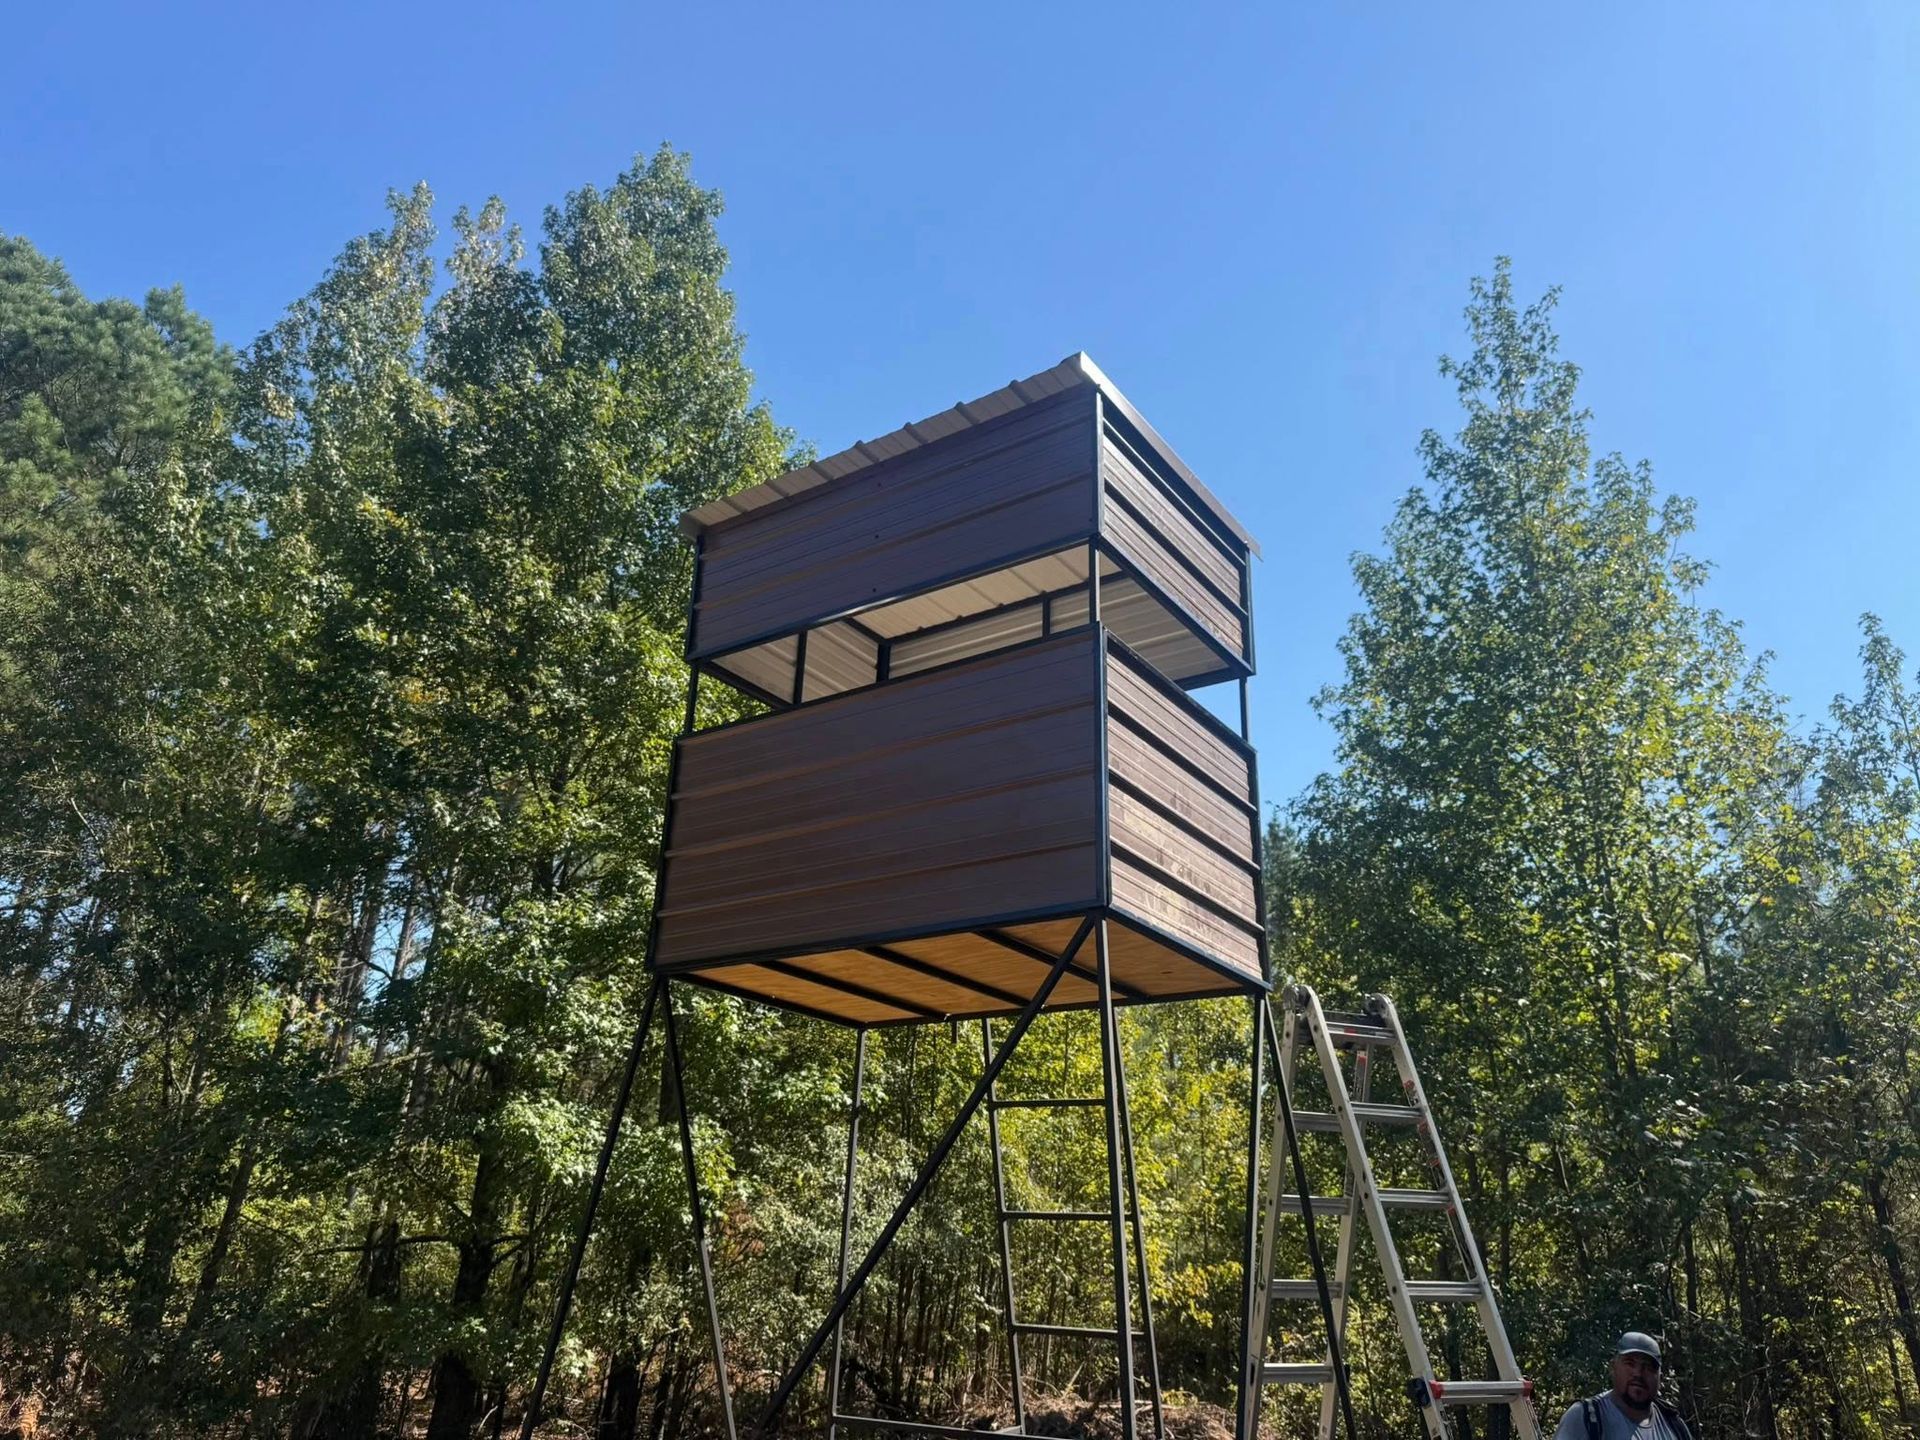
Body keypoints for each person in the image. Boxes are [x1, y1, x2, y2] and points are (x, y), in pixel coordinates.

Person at [1552, 1332, 1693, 1440]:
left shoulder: (1675, 1426)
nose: (1638, 1373)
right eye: (1630, 1363)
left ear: (1659, 1378)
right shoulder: (1586, 1418)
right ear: (1613, 1367)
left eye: (1648, 1367)